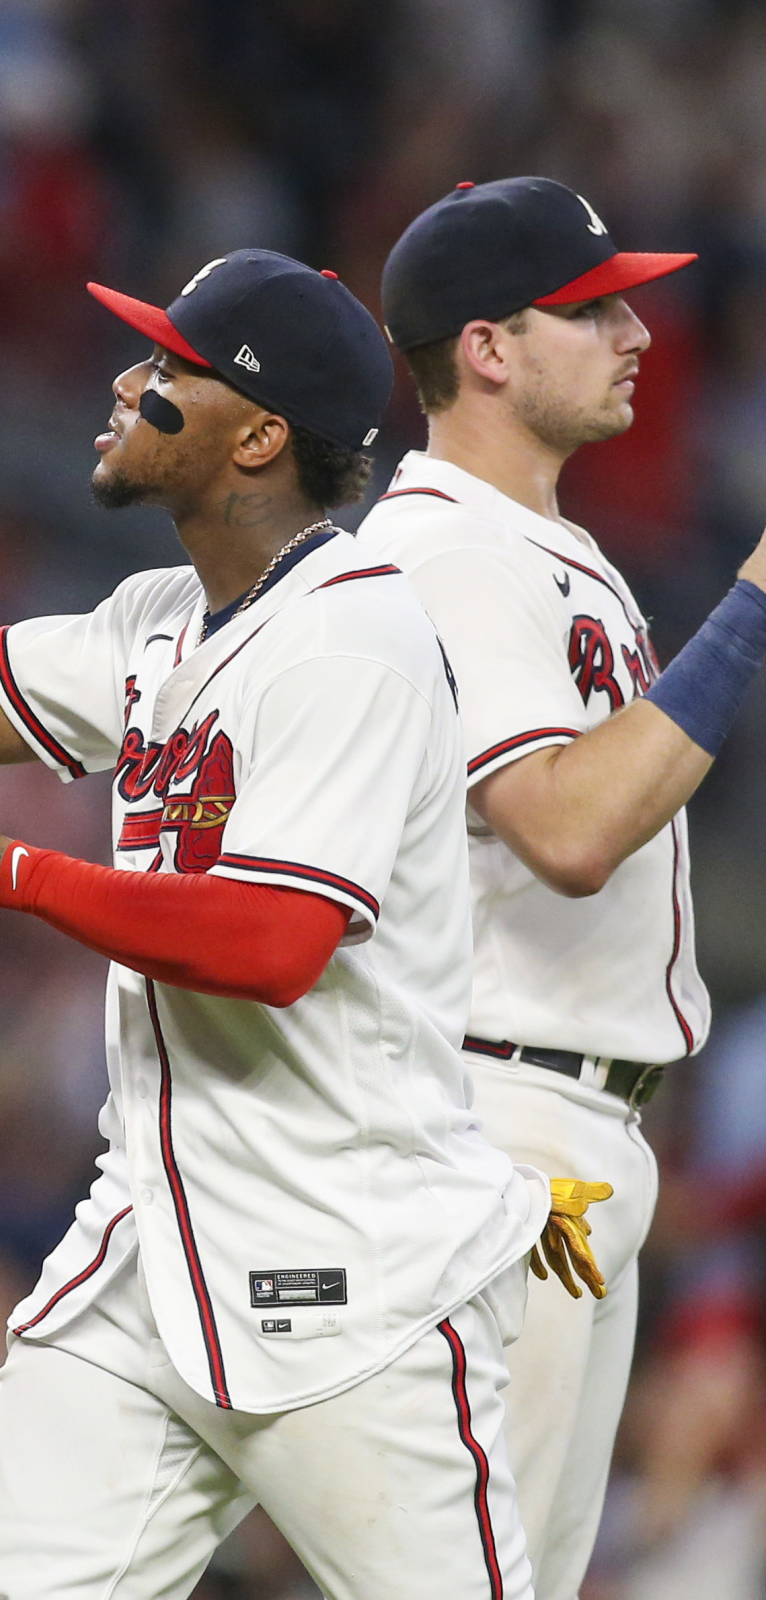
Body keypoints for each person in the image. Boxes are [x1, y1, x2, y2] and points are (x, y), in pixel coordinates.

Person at [0, 233, 570, 1600]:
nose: (129, 379)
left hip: (353, 1270)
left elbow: (274, 946)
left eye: (173, 365)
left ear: (257, 438)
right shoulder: (157, 620)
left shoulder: (357, 636)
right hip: (149, 1255)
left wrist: (5, 872)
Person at [355, 175, 766, 1600]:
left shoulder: (538, 546)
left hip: (565, 1131)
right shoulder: (447, 550)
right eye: (592, 309)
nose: (638, 331)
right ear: (487, 348)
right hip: (505, 1125)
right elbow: (568, 828)